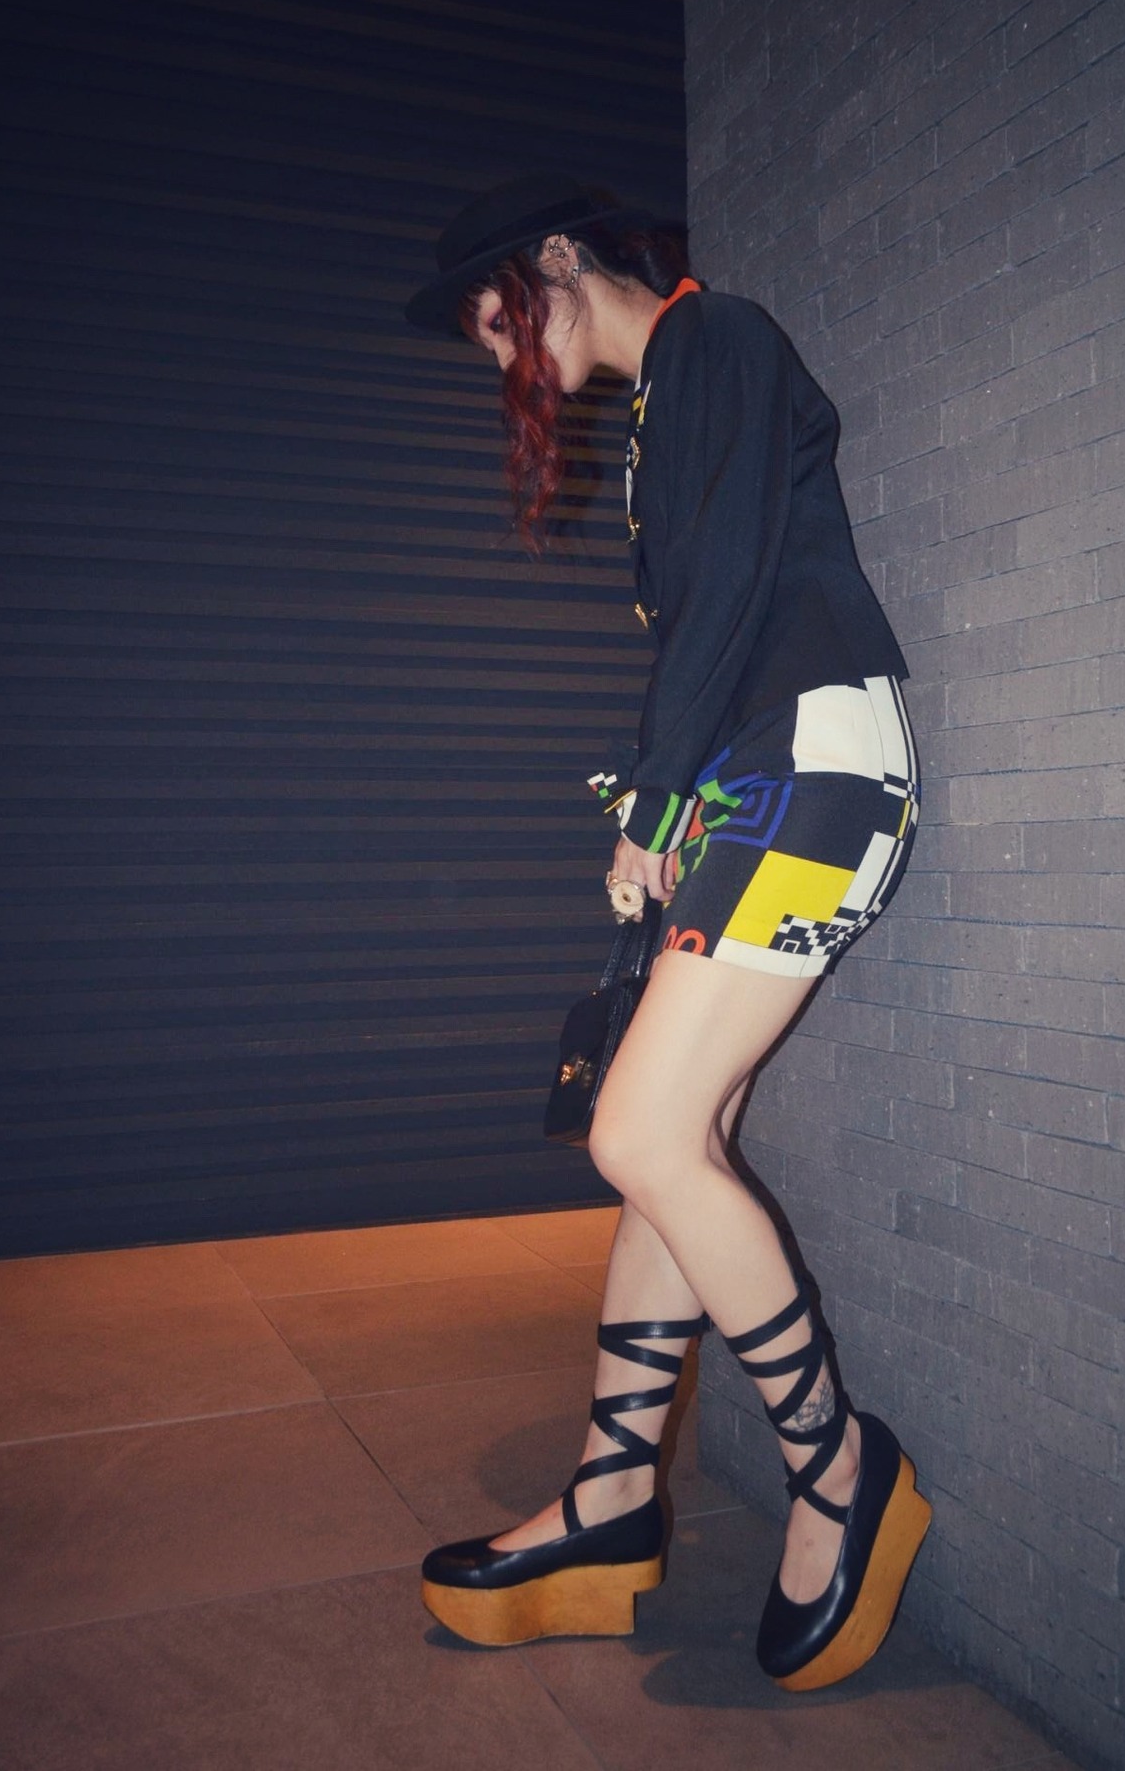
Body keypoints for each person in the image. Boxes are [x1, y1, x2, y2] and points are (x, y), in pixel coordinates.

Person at [403, 174, 930, 1690]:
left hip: (813, 765)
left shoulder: (719, 342)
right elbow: (714, 610)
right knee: (666, 1142)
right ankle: (612, 1498)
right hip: (758, 780)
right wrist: (677, 802)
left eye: (499, 317)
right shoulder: (666, 401)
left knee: (638, 1132)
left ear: (560, 260)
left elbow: (731, 592)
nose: (500, 351)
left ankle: (840, 1468)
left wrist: (651, 797)